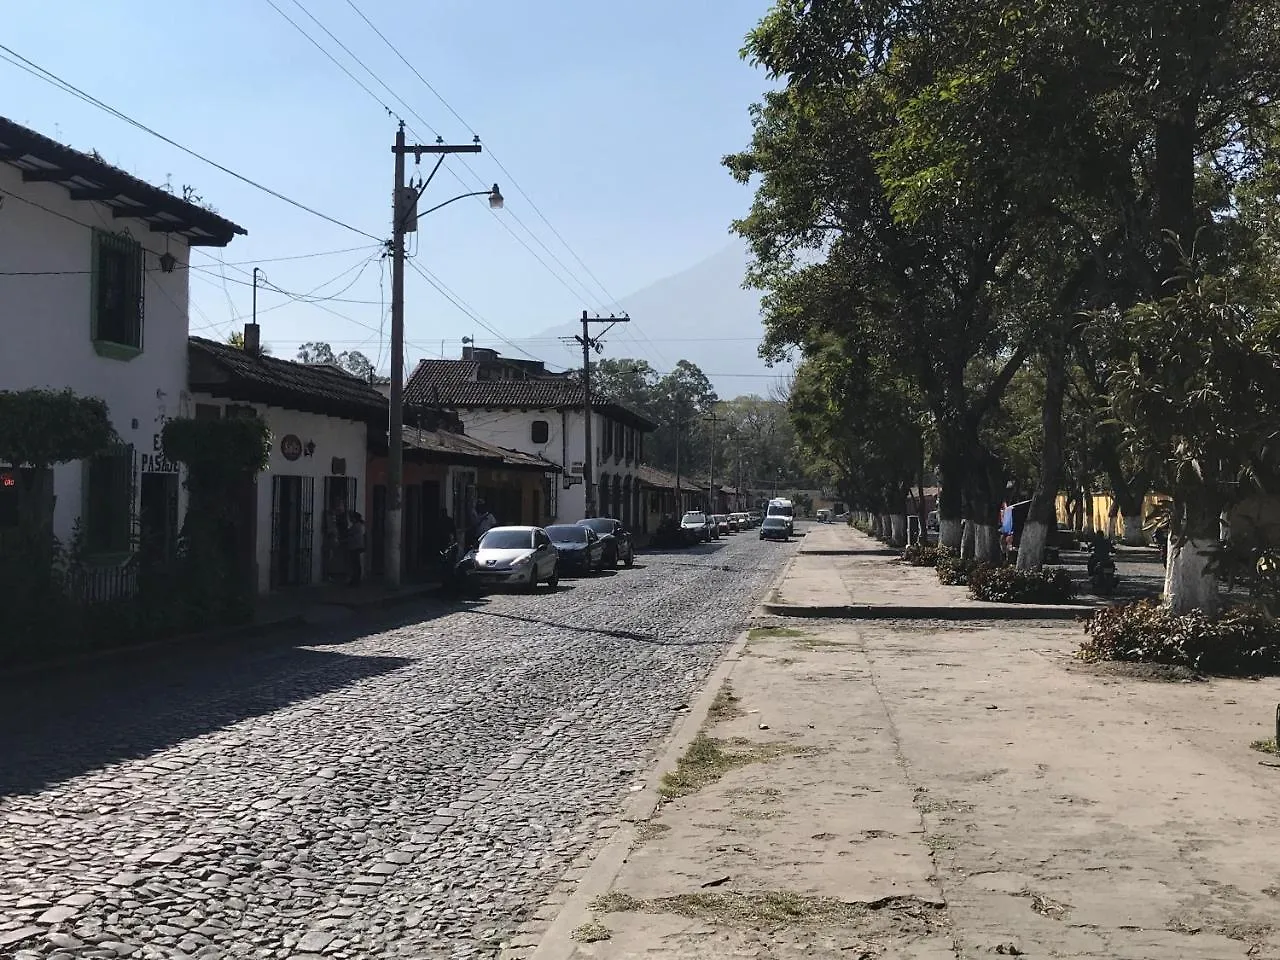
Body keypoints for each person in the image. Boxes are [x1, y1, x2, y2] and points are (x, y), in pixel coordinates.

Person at [346, 511, 367, 586]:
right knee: (356, 564)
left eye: (351, 518)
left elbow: (349, 533)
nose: (350, 519)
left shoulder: (356, 526)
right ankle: (356, 580)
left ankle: (355, 581)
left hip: (355, 547)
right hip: (356, 547)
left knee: (355, 565)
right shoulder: (358, 525)